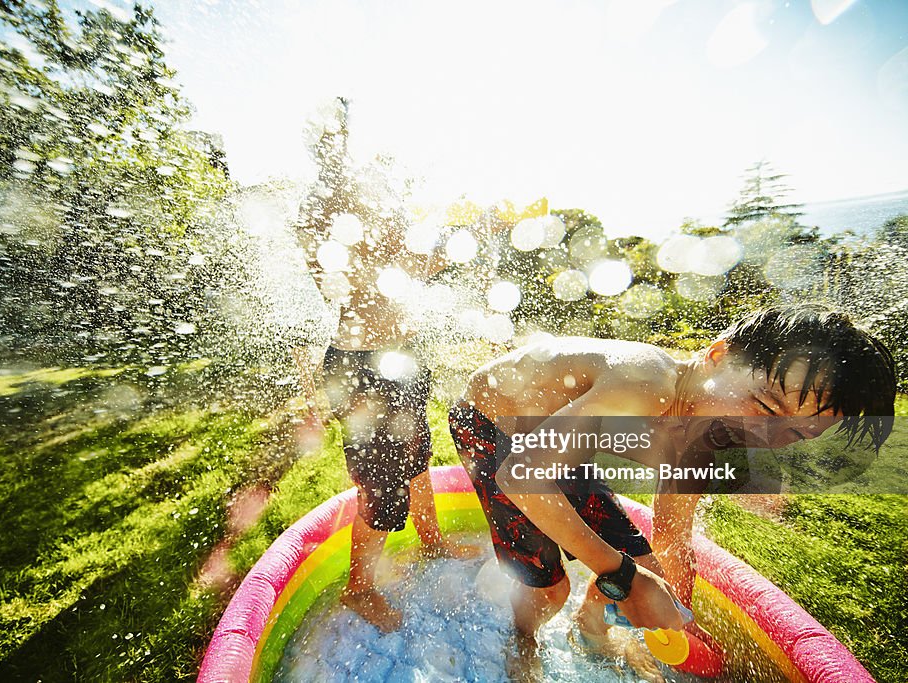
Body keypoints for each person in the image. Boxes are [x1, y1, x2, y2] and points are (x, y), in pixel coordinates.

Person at [448, 305, 895, 679]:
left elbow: (673, 534)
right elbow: (521, 474)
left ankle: (591, 630)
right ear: (718, 356)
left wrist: (679, 616)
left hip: (552, 440)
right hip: (492, 425)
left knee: (643, 561)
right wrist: (625, 577)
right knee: (552, 589)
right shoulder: (644, 383)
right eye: (764, 407)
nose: (766, 436)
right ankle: (522, 638)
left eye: (796, 433)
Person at [291, 98, 487, 632]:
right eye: (331, 138)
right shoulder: (319, 209)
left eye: (345, 136)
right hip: (361, 364)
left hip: (402, 356)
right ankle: (359, 589)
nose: (342, 146)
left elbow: (408, 267)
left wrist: (438, 253)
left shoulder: (369, 199)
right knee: (381, 483)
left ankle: (432, 538)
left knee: (417, 451)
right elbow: (339, 278)